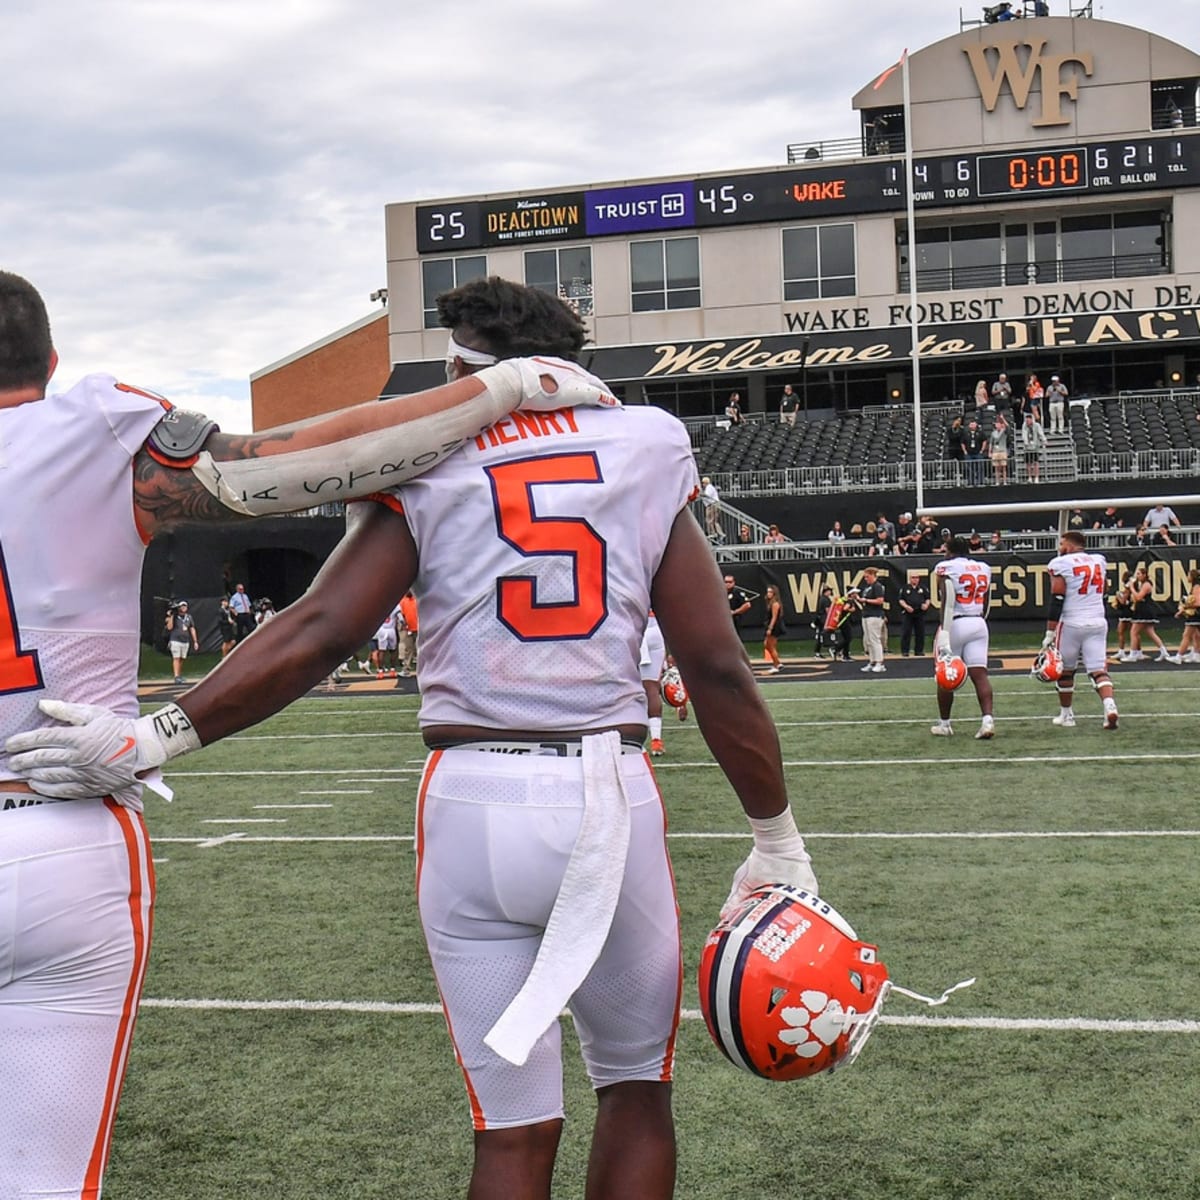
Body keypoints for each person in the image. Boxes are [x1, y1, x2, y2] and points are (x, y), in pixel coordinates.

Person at [8, 276, 820, 1200]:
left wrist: (159, 736)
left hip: (471, 798)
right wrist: (776, 840)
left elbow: (325, 628)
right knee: (635, 1090)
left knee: (510, 1131)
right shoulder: (646, 444)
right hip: (603, 790)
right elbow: (713, 664)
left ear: (460, 364)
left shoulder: (430, 456)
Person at [1043, 530, 1120, 730]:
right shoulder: (1099, 561)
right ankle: (1109, 706)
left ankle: (1067, 715)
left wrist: (1050, 632)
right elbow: (1105, 590)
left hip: (1071, 623)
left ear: (1069, 545)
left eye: (1062, 544)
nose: (1060, 548)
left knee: (1065, 672)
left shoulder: (1061, 564)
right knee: (1098, 671)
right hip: (1097, 621)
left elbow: (1057, 599)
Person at [931, 535, 995, 739]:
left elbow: (948, 600)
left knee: (944, 675)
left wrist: (945, 630)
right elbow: (987, 600)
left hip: (956, 622)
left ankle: (945, 723)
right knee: (980, 674)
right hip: (978, 622)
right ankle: (987, 720)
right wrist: (979, 619)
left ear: (950, 551)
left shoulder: (946, 567)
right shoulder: (983, 567)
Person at [1127, 563, 1171, 661]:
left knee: (1133, 632)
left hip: (1145, 610)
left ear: (1144, 575)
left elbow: (1138, 597)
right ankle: (1164, 652)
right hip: (1141, 609)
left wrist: (1131, 588)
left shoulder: (1147, 584)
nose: (1137, 576)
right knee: (1150, 632)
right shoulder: (1140, 584)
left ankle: (1133, 654)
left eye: (1139, 574)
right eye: (1137, 574)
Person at [640, 611, 667, 755]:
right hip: (656, 629)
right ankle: (656, 741)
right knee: (652, 688)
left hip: (635, 627)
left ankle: (629, 740)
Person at [858, 566, 888, 673]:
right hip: (866, 615)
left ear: (872, 575)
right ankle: (872, 661)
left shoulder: (877, 586)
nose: (865, 579)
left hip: (874, 615)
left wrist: (866, 600)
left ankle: (880, 662)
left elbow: (880, 600)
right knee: (869, 640)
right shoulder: (867, 588)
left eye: (867, 576)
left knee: (875, 639)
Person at [1168, 567, 1200, 664]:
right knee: (1196, 635)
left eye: (1188, 575)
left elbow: (1198, 603)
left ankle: (1179, 656)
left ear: (1192, 577)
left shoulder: (1196, 587)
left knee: (1186, 635)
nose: (1187, 577)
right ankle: (1196, 654)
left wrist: (1185, 606)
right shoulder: (1195, 587)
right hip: (1195, 615)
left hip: (1196, 615)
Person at [165, 600, 199, 684]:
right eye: (181, 606)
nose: (183, 608)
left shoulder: (189, 617)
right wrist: (172, 615)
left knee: (182, 658)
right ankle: (176, 676)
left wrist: (195, 641)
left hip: (185, 641)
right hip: (175, 640)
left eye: (185, 606)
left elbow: (192, 628)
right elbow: (169, 627)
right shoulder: (175, 616)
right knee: (176, 658)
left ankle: (179, 675)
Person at [897, 572, 930, 656]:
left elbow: (927, 598)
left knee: (920, 632)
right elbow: (901, 599)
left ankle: (919, 651)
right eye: (913, 577)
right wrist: (906, 606)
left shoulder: (923, 588)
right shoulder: (905, 588)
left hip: (919, 613)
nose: (915, 579)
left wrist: (926, 605)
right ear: (910, 579)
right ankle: (905, 651)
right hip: (908, 613)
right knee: (906, 632)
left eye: (917, 577)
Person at [761, 583, 787, 673]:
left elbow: (774, 617)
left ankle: (776, 665)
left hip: (774, 626)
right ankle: (778, 663)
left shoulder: (775, 604)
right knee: (767, 645)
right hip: (770, 625)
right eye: (768, 592)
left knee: (770, 646)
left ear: (774, 593)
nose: (768, 594)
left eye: (770, 592)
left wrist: (770, 628)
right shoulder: (770, 602)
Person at [1020, 412, 1046, 483]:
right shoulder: (1024, 426)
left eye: (1028, 420)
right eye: (1026, 421)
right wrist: (1026, 442)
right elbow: (1024, 434)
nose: (1027, 422)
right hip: (1027, 448)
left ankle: (1036, 477)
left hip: (1035, 447)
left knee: (1036, 463)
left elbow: (1040, 433)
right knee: (1028, 463)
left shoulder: (1037, 425)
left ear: (1032, 420)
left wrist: (1044, 440)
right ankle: (1029, 477)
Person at [399, 589, 419, 676]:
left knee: (421, 649)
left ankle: (423, 670)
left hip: (419, 628)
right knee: (408, 649)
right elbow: (402, 615)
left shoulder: (417, 600)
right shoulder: (403, 601)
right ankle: (406, 669)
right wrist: (405, 625)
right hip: (409, 629)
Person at [963, 418, 987, 486]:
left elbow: (984, 441)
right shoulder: (966, 433)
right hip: (969, 454)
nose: (972, 425)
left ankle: (980, 482)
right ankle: (971, 482)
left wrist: (982, 450)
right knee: (969, 468)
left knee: (980, 467)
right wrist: (965, 451)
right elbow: (962, 443)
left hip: (978, 453)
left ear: (976, 425)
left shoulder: (980, 432)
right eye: (971, 424)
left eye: (973, 424)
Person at [988, 413, 1010, 484]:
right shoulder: (993, 433)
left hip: (1002, 451)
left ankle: (1004, 481)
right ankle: (997, 481)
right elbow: (991, 443)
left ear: (1001, 425)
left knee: (1003, 467)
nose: (997, 425)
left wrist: (1003, 419)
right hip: (995, 451)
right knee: (997, 468)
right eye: (996, 424)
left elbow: (1008, 426)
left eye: (998, 424)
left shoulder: (1004, 431)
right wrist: (990, 452)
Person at [700, 475, 721, 539]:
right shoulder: (709, 487)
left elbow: (707, 495)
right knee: (713, 521)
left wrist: (699, 493)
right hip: (712, 504)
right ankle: (718, 533)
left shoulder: (709, 487)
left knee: (710, 520)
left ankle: (713, 533)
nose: (702, 484)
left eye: (703, 483)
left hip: (712, 504)